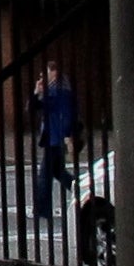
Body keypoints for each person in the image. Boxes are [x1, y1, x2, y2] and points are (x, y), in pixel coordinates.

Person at [31, 64, 80, 221]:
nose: (42, 76)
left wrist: (37, 92)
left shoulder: (55, 92)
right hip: (58, 137)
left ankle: (42, 211)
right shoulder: (65, 91)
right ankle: (82, 189)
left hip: (54, 138)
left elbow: (32, 107)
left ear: (54, 73)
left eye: (45, 73)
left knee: (44, 176)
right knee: (58, 172)